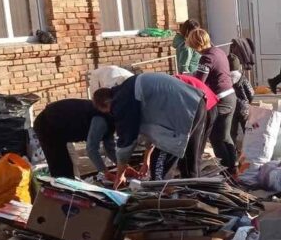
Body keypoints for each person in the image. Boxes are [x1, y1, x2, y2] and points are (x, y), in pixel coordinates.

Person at [93, 72, 208, 186]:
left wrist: (120, 175)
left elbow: (127, 141)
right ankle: (193, 195)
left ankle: (163, 198)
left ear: (106, 104)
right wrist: (145, 160)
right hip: (196, 103)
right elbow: (150, 133)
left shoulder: (121, 102)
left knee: (159, 167)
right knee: (189, 161)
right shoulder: (128, 89)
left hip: (182, 112)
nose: (112, 114)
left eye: (109, 112)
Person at [188, 28, 237, 172]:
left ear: (196, 44)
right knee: (225, 136)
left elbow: (199, 82)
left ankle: (226, 171)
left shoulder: (206, 58)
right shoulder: (219, 51)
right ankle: (233, 168)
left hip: (220, 100)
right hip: (231, 97)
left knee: (216, 138)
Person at [33, 98, 116, 179]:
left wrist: (122, 166)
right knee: (61, 168)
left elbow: (110, 148)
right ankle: (62, 190)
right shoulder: (102, 121)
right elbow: (92, 149)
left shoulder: (110, 120)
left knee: (68, 165)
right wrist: (106, 172)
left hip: (62, 126)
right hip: (47, 124)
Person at [229, 54, 255, 143]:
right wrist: (248, 102)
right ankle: (249, 148)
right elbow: (251, 93)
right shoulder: (242, 78)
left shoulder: (226, 78)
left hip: (231, 108)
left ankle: (233, 150)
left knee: (232, 131)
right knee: (247, 130)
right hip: (244, 108)